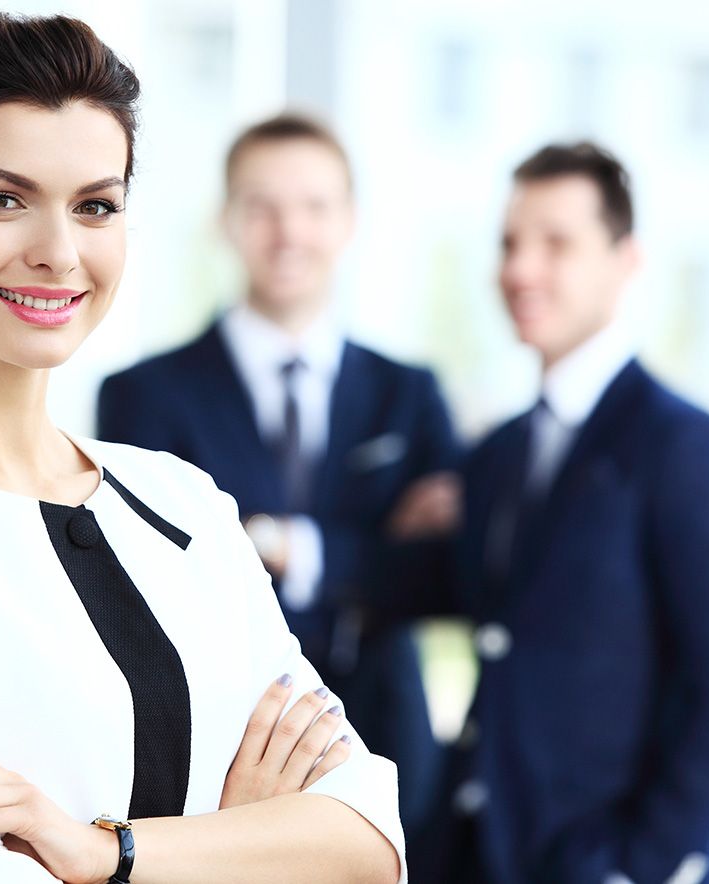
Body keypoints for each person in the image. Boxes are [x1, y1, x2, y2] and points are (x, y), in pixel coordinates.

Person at [0, 14, 404, 884]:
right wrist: (240, 841)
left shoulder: (184, 502)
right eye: (2, 199)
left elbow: (370, 843)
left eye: (95, 206)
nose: (59, 253)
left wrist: (103, 851)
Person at [408, 142, 709, 884]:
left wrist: (636, 867)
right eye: (511, 243)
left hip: (600, 859)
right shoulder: (499, 453)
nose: (519, 270)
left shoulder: (684, 447)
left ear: (625, 259)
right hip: (476, 849)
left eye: (557, 243)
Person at [97, 113, 460, 851]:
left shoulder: (410, 395)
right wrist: (370, 554)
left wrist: (295, 547)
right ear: (226, 221)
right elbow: (150, 584)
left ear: (349, 222)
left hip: (389, 752)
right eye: (262, 207)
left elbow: (445, 578)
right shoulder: (143, 396)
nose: (288, 231)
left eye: (314, 207)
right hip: (222, 763)